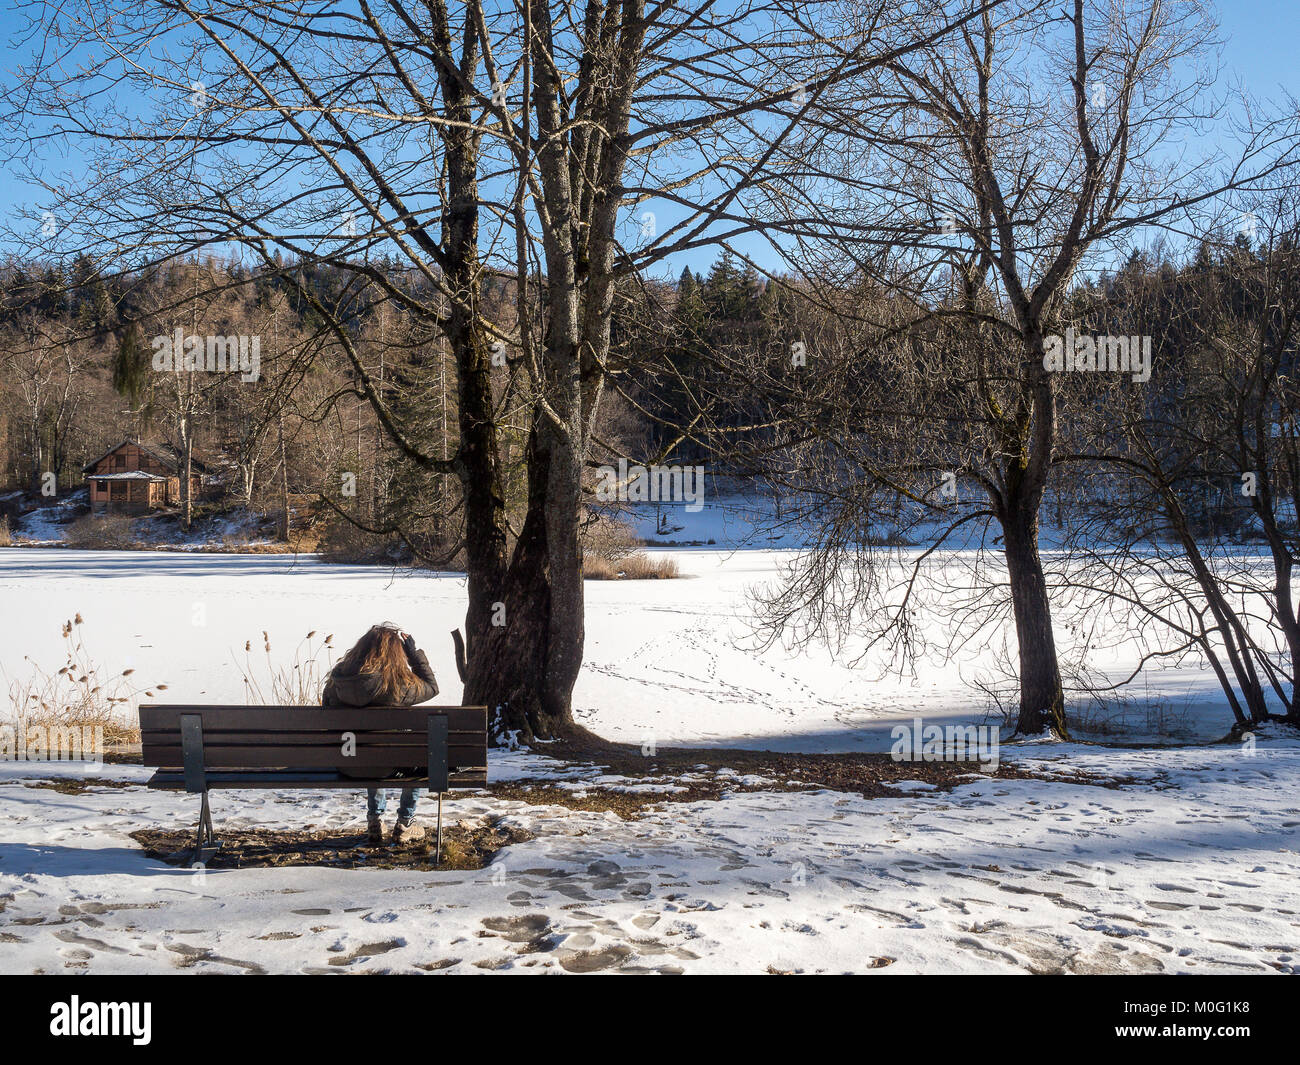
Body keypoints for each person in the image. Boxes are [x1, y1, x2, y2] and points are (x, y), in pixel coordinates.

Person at [322, 622, 439, 844]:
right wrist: (414, 656)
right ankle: (405, 821)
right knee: (414, 754)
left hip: (347, 764)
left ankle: (375, 819)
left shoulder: (338, 682)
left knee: (363, 747)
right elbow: (432, 687)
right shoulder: (397, 685)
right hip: (390, 765)